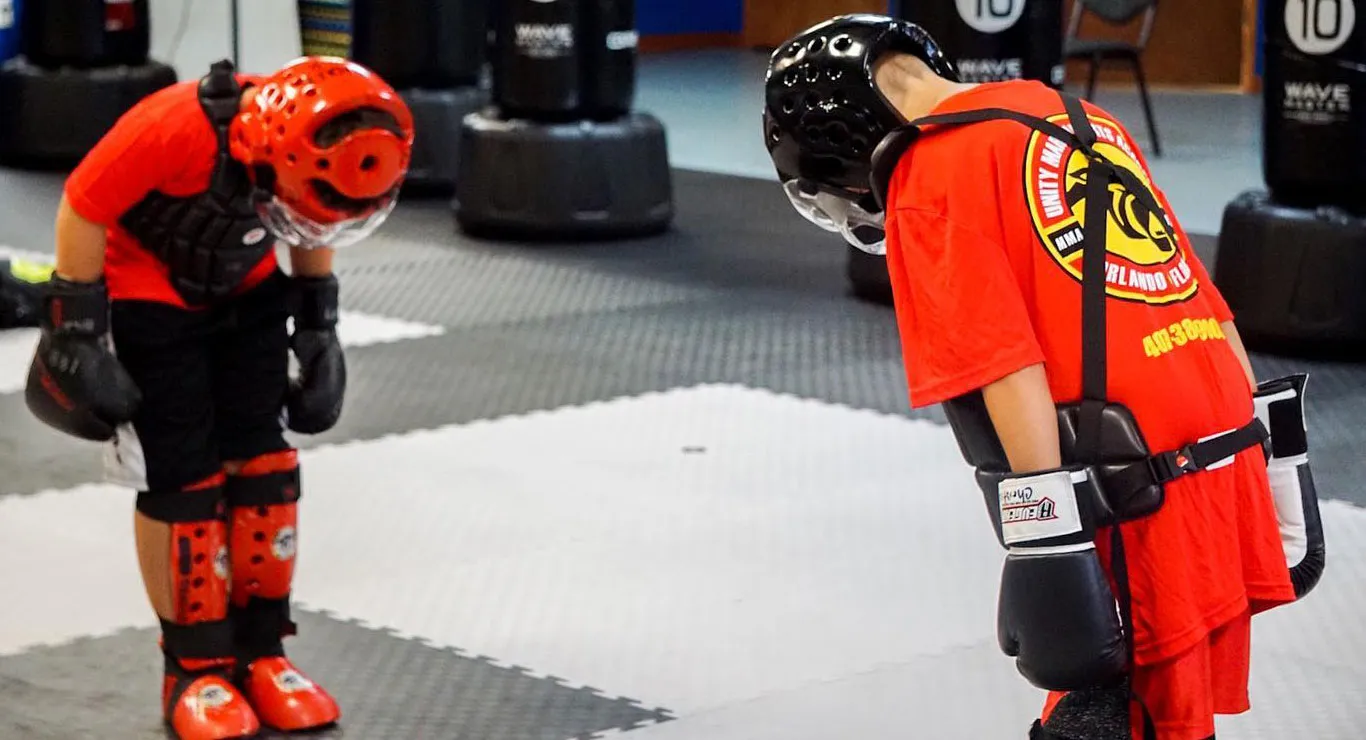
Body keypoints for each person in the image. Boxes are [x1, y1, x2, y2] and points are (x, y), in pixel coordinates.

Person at [762, 14, 1326, 740]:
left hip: (1135, 475)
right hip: (1222, 435)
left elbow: (1004, 364)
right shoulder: (1079, 117)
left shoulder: (927, 176)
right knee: (1157, 711)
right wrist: (1265, 459)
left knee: (1115, 716)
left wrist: (1048, 545)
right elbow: (1201, 299)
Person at [24, 56, 414, 740]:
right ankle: (194, 669)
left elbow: (313, 218)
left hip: (248, 289)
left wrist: (318, 323)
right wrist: (76, 332)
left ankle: (262, 653)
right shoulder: (172, 126)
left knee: (265, 467)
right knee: (185, 478)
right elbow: (82, 205)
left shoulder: (312, 163)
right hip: (150, 295)